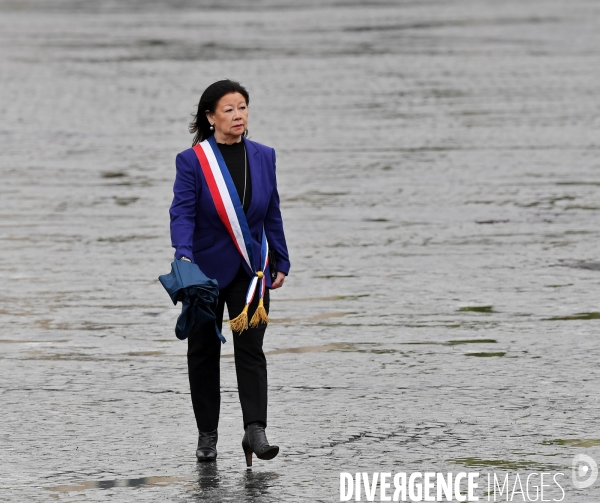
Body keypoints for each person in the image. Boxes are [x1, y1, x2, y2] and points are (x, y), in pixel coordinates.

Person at [169, 79, 290, 467]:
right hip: (203, 273)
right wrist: (183, 255)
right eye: (229, 109)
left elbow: (272, 211)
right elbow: (182, 212)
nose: (238, 115)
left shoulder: (264, 155)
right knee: (203, 352)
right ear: (210, 117)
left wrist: (281, 260)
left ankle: (255, 430)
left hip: (251, 269)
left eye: (243, 107)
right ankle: (208, 435)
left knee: (250, 350)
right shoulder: (192, 161)